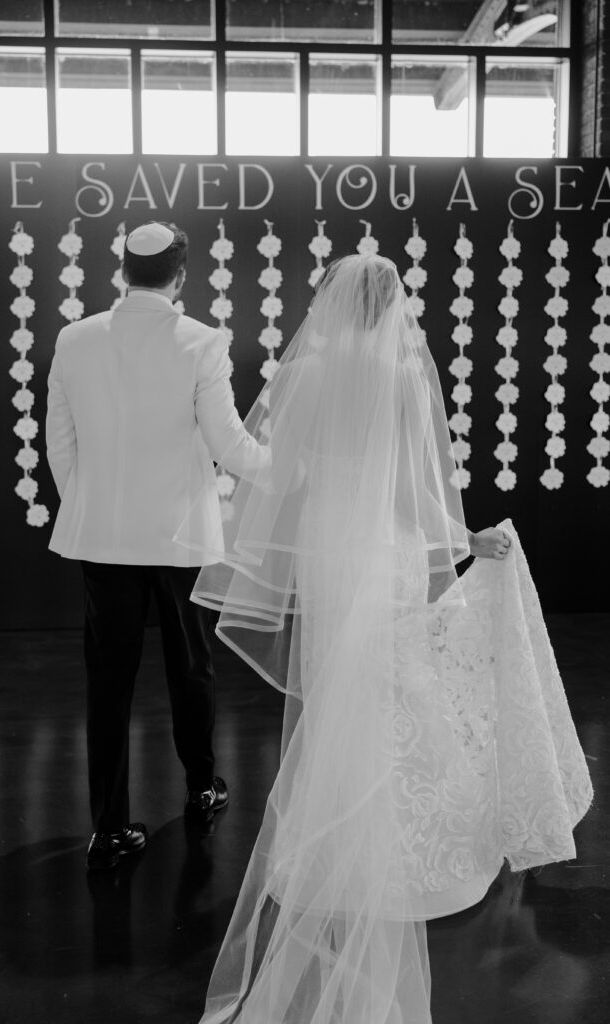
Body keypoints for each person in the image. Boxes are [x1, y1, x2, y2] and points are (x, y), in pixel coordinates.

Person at [176, 254, 593, 1023]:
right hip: (385, 551)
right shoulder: (401, 376)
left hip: (329, 550)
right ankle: (402, 851)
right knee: (398, 688)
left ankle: (333, 846)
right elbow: (413, 490)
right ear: (390, 308)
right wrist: (465, 539)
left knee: (340, 689)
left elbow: (282, 474)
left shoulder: (304, 375)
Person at [45, 221, 268, 871]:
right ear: (181, 275)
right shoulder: (203, 341)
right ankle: (200, 787)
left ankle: (109, 828)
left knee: (107, 680)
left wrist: (89, 505)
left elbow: (60, 441)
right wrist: (292, 471)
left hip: (103, 538)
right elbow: (229, 446)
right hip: (180, 537)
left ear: (123, 271)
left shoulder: (74, 338)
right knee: (190, 667)